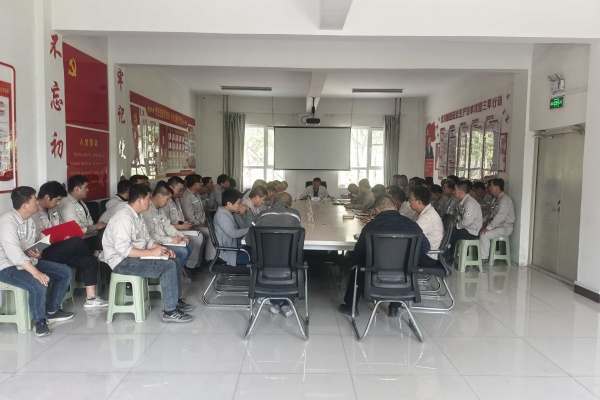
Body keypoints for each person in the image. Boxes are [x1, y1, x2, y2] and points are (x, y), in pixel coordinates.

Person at [102, 184, 194, 323]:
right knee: (168, 266)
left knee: (173, 260)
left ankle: (175, 301)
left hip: (134, 256)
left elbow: (147, 240)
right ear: (140, 200)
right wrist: (151, 252)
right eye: (147, 198)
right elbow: (124, 250)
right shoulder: (124, 218)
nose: (149, 202)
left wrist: (161, 248)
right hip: (121, 262)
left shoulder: (137, 216)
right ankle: (170, 311)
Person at [337, 195, 430, 316]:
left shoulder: (371, 226)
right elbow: (425, 248)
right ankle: (394, 308)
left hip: (375, 273)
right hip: (404, 276)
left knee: (356, 267)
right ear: (395, 207)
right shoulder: (412, 225)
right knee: (402, 266)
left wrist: (354, 263)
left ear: (377, 210)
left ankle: (351, 307)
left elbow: (359, 252)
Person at [0, 186, 74, 336]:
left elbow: (29, 245)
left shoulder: (29, 220)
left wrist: (37, 252)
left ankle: (52, 311)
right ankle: (39, 321)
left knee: (65, 272)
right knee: (38, 283)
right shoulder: (7, 222)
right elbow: (14, 254)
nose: (37, 203)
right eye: (34, 200)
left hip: (28, 261)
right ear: (25, 205)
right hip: (7, 266)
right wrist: (36, 273)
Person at [32, 181, 107, 308]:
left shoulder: (53, 209)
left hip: (58, 248)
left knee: (88, 260)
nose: (58, 203)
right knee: (77, 242)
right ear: (47, 197)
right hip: (43, 252)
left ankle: (91, 299)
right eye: (57, 200)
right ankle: (95, 253)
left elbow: (58, 228)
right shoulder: (33, 213)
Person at [250, 192, 302, 318]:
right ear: (290, 205)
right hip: (289, 264)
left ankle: (276, 301)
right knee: (298, 257)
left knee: (269, 263)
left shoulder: (261, 215)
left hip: (264, 264)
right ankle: (283, 303)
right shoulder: (295, 214)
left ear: (272, 203)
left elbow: (248, 239)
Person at [142, 183, 195, 279]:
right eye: (167, 199)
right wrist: (171, 240)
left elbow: (168, 226)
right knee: (182, 252)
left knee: (190, 244)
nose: (167, 203)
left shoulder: (160, 210)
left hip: (163, 240)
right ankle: (172, 276)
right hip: (155, 243)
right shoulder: (147, 211)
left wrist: (181, 236)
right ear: (159, 196)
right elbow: (152, 235)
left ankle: (175, 273)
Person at [165, 176, 205, 273]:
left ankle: (195, 264)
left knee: (199, 235)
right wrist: (181, 226)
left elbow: (179, 218)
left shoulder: (176, 199)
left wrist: (184, 223)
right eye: (179, 190)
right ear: (170, 187)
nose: (180, 193)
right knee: (198, 237)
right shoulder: (165, 202)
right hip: (173, 231)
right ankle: (190, 266)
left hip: (181, 228)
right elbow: (166, 224)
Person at [58, 175, 106, 250]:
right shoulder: (67, 203)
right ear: (77, 188)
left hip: (90, 235)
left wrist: (93, 227)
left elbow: (89, 221)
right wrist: (95, 227)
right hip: (80, 240)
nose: (88, 190)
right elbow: (77, 229)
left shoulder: (80, 201)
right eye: (86, 187)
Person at [479, 179, 515, 263]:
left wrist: (487, 228)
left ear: (497, 187)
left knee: (484, 235)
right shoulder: (495, 199)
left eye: (491, 186)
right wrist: (481, 221)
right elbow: (490, 214)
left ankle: (484, 258)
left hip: (504, 228)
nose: (489, 188)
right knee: (476, 230)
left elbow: (499, 217)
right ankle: (479, 254)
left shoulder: (505, 200)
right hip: (496, 226)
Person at [180, 174, 214, 260]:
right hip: (193, 225)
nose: (202, 185)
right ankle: (205, 260)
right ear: (195, 184)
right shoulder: (186, 196)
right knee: (210, 233)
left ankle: (207, 259)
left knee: (212, 231)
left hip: (201, 223)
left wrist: (205, 222)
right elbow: (189, 216)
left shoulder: (196, 194)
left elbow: (201, 211)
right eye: (200, 183)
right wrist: (201, 224)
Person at [213, 189, 251, 266]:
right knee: (258, 256)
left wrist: (247, 211)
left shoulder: (232, 212)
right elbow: (233, 233)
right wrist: (251, 230)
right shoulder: (222, 215)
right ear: (229, 204)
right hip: (230, 252)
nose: (240, 205)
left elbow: (245, 226)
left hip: (236, 246)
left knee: (258, 250)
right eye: (238, 203)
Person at [409, 187, 444, 266]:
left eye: (411, 199)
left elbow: (411, 234)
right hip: (425, 251)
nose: (409, 201)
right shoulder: (422, 212)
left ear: (418, 202)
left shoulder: (427, 217)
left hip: (429, 256)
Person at [449, 180, 483, 256]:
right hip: (464, 229)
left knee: (449, 234)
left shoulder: (470, 203)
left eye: (455, 189)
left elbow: (466, 222)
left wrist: (456, 225)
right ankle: (451, 255)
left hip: (470, 231)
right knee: (448, 231)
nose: (453, 192)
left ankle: (449, 257)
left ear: (460, 191)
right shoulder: (462, 201)